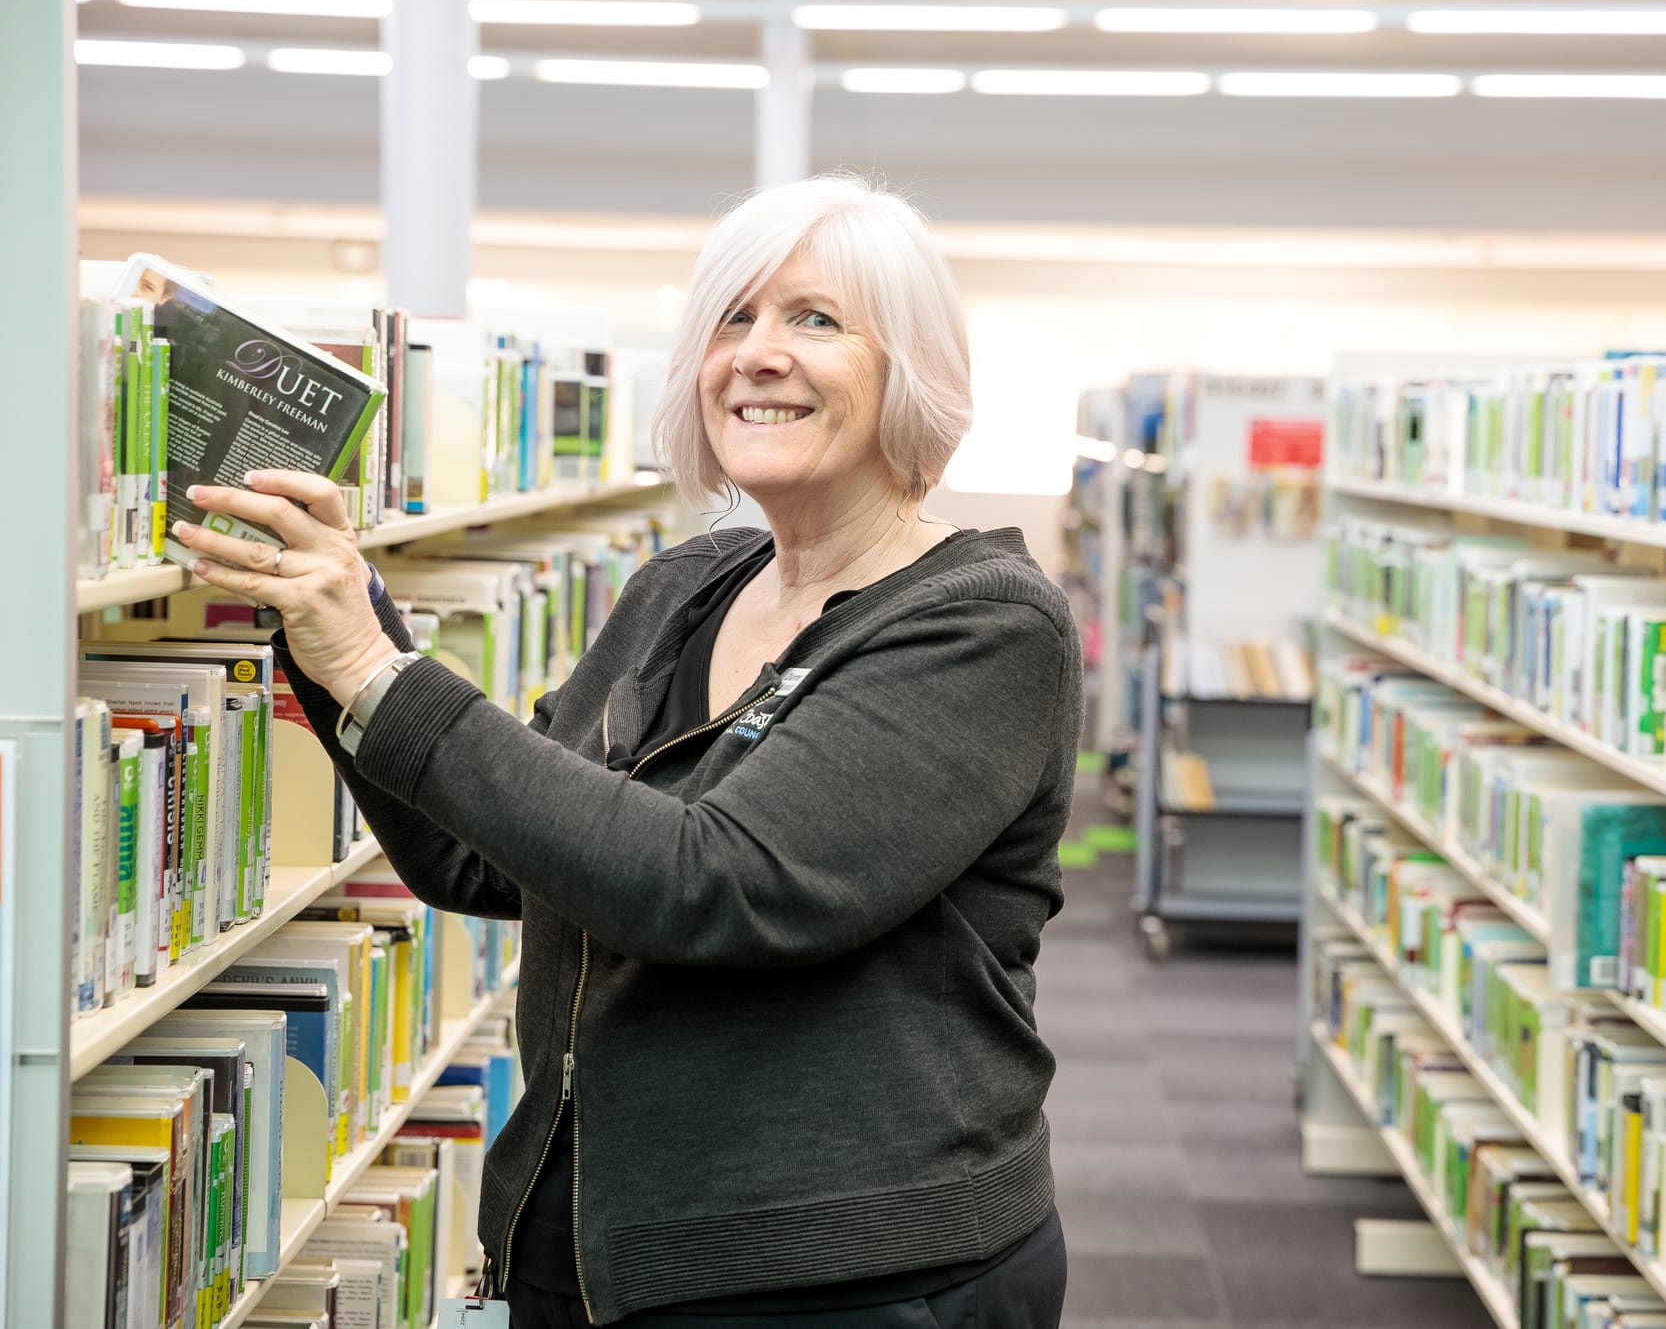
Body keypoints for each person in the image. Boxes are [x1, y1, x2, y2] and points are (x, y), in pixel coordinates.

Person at [177, 174, 1081, 1327]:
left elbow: (715, 884)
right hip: (590, 1247)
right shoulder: (680, 588)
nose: (755, 354)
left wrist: (377, 672)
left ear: (910, 369)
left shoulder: (984, 624)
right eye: (730, 319)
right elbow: (486, 858)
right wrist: (335, 622)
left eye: (814, 319)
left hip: (842, 1274)